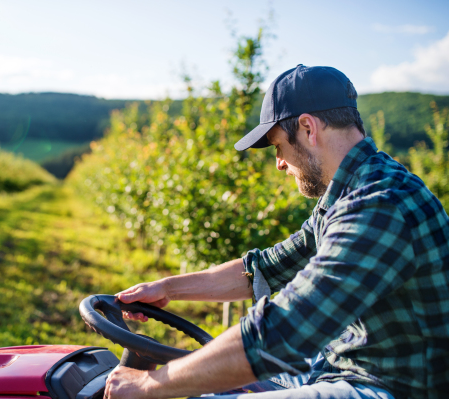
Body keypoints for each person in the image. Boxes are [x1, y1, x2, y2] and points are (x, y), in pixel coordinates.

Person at [103, 65, 449, 399]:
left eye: (279, 146)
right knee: (216, 381)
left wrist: (147, 386)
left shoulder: (378, 206)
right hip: (345, 364)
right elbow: (267, 267)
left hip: (387, 385)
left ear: (308, 128)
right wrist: (167, 289)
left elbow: (284, 332)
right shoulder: (347, 193)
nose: (280, 162)